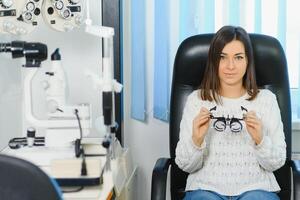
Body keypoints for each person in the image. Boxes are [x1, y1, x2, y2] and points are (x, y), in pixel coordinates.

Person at [175, 26, 286, 200]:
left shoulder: (266, 100)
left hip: (256, 188)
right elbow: (184, 165)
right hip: (205, 188)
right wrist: (196, 140)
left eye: (238, 57)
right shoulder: (196, 100)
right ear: (213, 61)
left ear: (248, 61)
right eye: (222, 57)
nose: (230, 66)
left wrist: (260, 140)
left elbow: (277, 162)